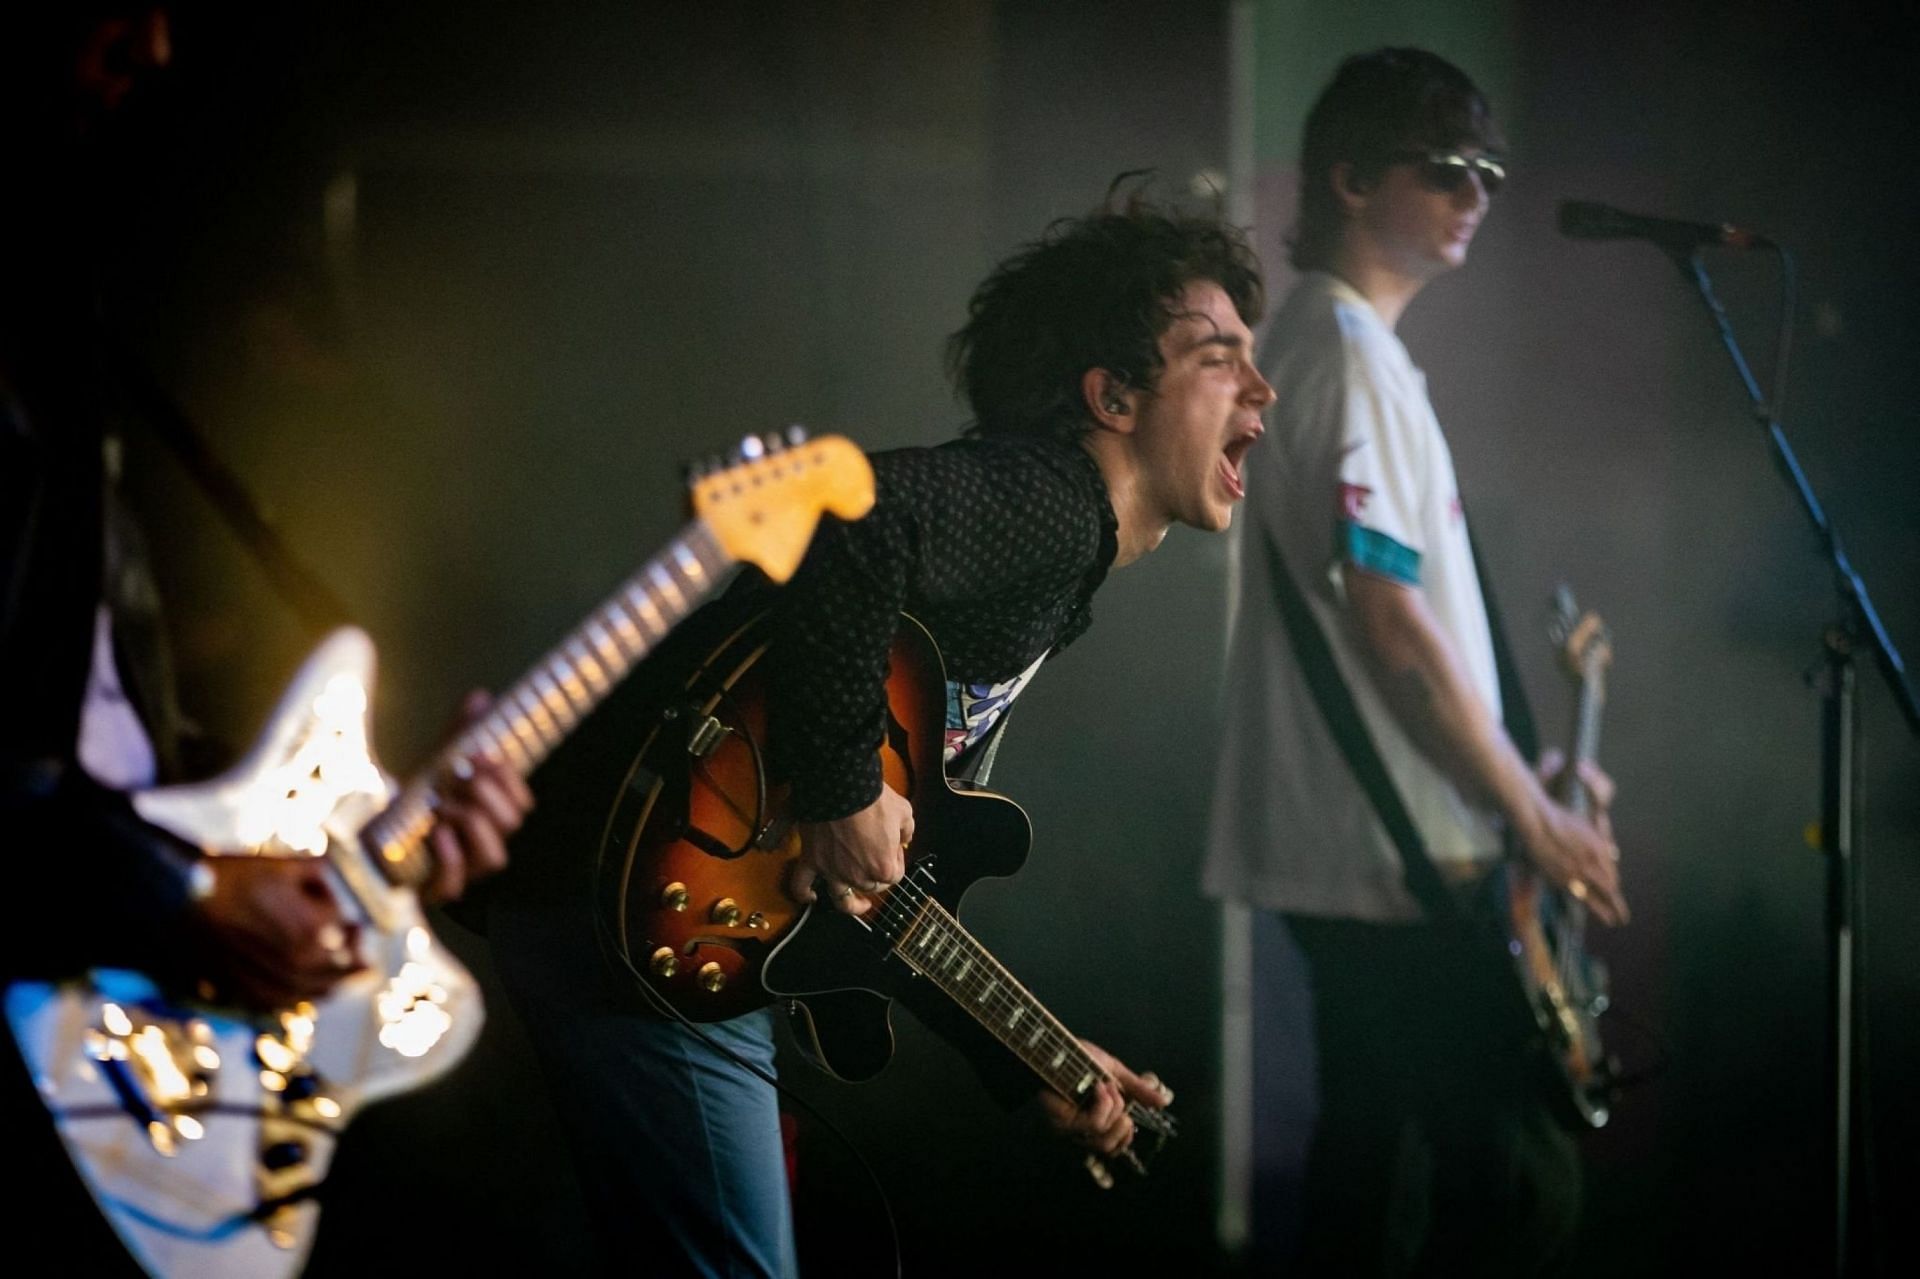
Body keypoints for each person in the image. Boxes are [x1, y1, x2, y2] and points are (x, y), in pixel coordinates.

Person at [487, 191, 1276, 1276]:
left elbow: (875, 891)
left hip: (648, 897)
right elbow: (858, 518)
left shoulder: (1052, 573)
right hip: (651, 897)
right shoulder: (1057, 501)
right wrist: (840, 782)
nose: (1262, 388)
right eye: (1219, 357)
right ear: (1113, 396)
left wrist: (1028, 1058)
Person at [0, 8, 531, 1268]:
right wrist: (181, 890)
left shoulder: (60, 313)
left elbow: (88, 732)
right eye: (119, 14)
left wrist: (358, 842)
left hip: (96, 982)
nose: (157, 50)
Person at [1203, 47, 1629, 1276]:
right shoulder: (1341, 356)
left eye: (1489, 172)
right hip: (1395, 862)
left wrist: (1527, 782)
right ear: (1346, 176)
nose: (1477, 195)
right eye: (1445, 168)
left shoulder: (1353, 355)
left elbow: (1402, 621)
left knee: (1386, 1179)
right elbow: (1388, 619)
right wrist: (1528, 816)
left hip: (1394, 850)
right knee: (1499, 1186)